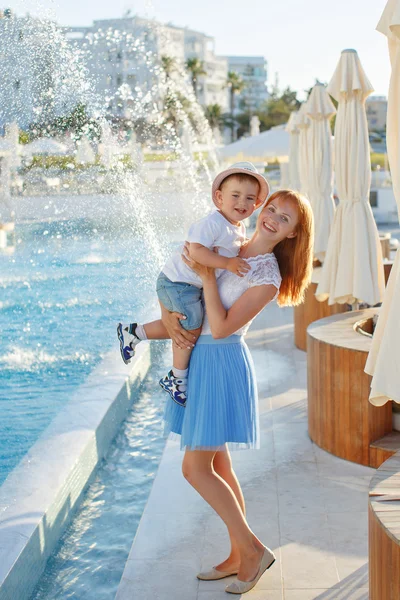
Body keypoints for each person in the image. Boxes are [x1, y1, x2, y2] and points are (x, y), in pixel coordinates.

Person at [131, 189, 314, 594]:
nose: (273, 219)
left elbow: (223, 325)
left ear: (291, 236)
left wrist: (209, 274)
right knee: (221, 467)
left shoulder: (267, 276)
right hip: (201, 358)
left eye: (285, 220)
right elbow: (179, 290)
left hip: (222, 362)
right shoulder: (227, 241)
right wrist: (174, 309)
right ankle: (237, 553)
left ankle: (253, 551)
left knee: (195, 469)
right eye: (273, 210)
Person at [117, 162, 269, 407]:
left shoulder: (237, 227)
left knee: (186, 325)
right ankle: (176, 377)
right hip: (177, 283)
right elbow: (195, 252)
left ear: (257, 204)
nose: (242, 202)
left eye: (249, 198)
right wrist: (227, 263)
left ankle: (133, 332)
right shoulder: (212, 223)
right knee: (191, 325)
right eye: (235, 195)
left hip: (187, 285)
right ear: (219, 198)